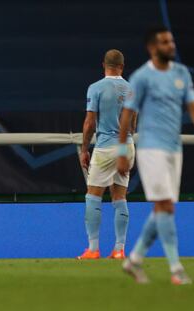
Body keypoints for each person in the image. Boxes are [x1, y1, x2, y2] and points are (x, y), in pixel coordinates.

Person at [117, 26, 194, 284]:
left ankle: (135, 259)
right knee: (165, 206)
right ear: (153, 48)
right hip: (151, 148)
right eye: (165, 42)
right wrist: (121, 151)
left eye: (171, 41)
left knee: (164, 208)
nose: (171, 45)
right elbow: (127, 116)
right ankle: (176, 269)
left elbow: (193, 108)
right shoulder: (141, 77)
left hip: (175, 148)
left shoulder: (181, 74)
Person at [78, 49, 137, 260]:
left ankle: (93, 249)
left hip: (105, 147)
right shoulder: (132, 89)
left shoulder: (96, 88)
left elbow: (89, 123)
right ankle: (119, 249)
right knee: (120, 196)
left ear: (104, 64)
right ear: (122, 66)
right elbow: (134, 124)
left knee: (93, 195)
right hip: (127, 146)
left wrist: (84, 149)